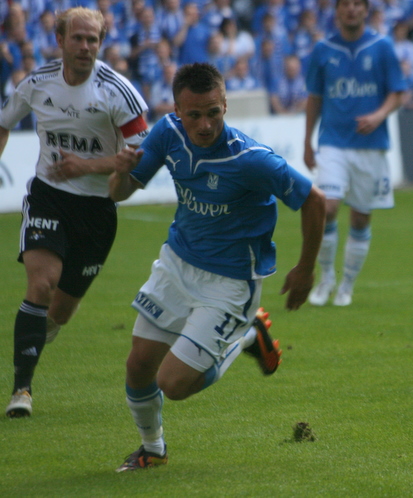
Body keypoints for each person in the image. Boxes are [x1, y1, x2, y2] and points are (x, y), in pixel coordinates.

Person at [108, 62, 325, 471]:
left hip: (230, 281)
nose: (205, 124)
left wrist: (306, 268)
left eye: (213, 112)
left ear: (225, 105)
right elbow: (120, 192)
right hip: (177, 263)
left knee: (173, 384)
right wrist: (119, 175)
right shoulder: (167, 134)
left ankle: (246, 335)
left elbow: (314, 200)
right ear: (176, 110)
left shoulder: (251, 160)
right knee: (138, 365)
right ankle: (152, 450)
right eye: (194, 114)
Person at [1, 7, 149, 418]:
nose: (85, 47)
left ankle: (34, 335)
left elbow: (144, 154)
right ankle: (22, 390)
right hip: (48, 197)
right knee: (41, 285)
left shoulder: (117, 91)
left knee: (60, 312)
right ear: (60, 41)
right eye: (78, 38)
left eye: (93, 40)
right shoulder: (37, 82)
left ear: (101, 43)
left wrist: (87, 166)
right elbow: (4, 122)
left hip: (97, 210)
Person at [303, 0, 407, 307]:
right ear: (337, 11)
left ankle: (346, 284)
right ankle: (326, 278)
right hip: (332, 142)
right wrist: (307, 141)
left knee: (360, 218)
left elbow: (398, 93)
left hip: (370, 144)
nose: (351, 9)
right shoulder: (323, 50)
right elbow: (314, 97)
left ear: (365, 10)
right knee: (327, 207)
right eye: (345, 4)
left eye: (357, 4)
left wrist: (378, 116)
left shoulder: (382, 47)